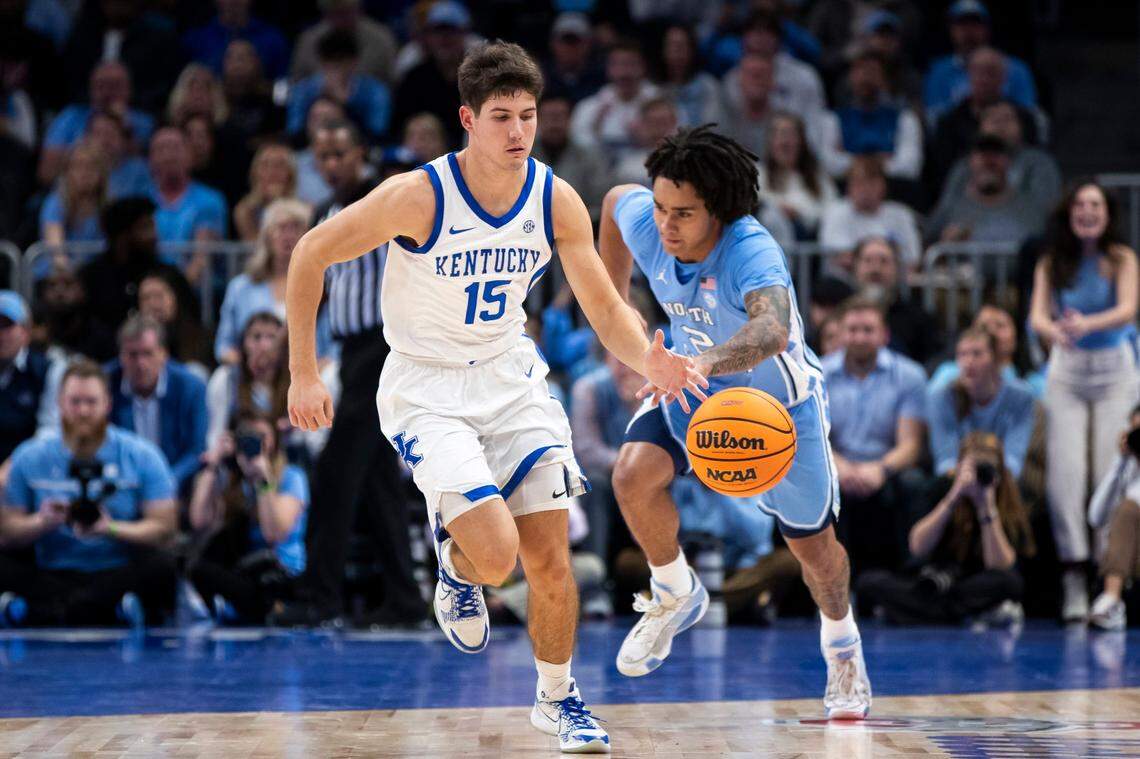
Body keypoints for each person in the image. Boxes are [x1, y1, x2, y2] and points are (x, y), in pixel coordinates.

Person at [285, 42, 704, 753]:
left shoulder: (553, 197)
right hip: (427, 387)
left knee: (549, 557)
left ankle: (559, 697)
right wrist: (303, 371)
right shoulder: (417, 195)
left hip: (510, 380)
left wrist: (648, 358)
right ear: (467, 120)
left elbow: (604, 305)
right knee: (499, 555)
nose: (518, 132)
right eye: (502, 116)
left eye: (529, 115)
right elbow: (309, 255)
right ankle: (455, 565)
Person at [598, 126, 871, 719]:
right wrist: (617, 314)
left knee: (815, 552)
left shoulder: (752, 249)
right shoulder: (648, 217)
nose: (666, 225)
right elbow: (617, 203)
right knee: (631, 475)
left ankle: (842, 644)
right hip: (693, 388)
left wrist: (702, 359)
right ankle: (675, 591)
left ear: (719, 210)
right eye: (664, 208)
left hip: (777, 407)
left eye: (684, 214)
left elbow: (771, 331)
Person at [271, 119, 423, 632]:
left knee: (335, 473)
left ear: (362, 150)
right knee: (378, 482)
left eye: (340, 152)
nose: (331, 164)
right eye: (323, 155)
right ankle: (404, 599)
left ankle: (319, 596)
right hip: (354, 351)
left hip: (385, 347)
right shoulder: (323, 211)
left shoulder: (386, 197)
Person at [1029, 180, 1140, 622]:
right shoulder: (1052, 261)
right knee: (1067, 476)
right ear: (1069, 214)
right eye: (1080, 205)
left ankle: (1106, 575)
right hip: (1068, 371)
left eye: (1095, 205)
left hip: (1114, 368)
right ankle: (1073, 573)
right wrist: (1053, 331)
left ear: (1108, 214)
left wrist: (1084, 323)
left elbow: (1128, 311)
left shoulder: (1122, 259)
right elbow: (1037, 315)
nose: (1088, 212)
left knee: (1106, 471)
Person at [0, 359, 178, 626]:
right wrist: (42, 522)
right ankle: (104, 611)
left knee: (163, 566)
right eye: (75, 402)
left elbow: (165, 529)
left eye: (91, 402)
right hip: (52, 571)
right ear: (60, 403)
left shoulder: (141, 455)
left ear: (107, 404)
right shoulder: (29, 457)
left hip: (115, 571)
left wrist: (111, 528)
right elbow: (6, 533)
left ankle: (42, 612)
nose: (83, 411)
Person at [856, 432, 1035, 625]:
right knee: (868, 582)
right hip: (935, 583)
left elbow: (999, 566)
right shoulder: (942, 487)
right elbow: (918, 547)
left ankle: (915, 614)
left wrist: (987, 507)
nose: (977, 476)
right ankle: (968, 615)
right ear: (958, 466)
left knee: (1010, 583)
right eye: (973, 469)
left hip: (974, 584)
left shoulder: (1008, 500)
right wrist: (954, 496)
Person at [823, 297, 926, 577]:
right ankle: (827, 584)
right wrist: (840, 467)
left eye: (868, 330)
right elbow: (814, 438)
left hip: (887, 467)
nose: (859, 337)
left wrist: (879, 469)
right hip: (835, 464)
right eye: (852, 330)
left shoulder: (910, 375)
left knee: (914, 483)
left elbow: (911, 445)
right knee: (811, 481)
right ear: (841, 333)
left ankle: (911, 578)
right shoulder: (816, 374)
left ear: (884, 335)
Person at [188, 409, 308, 623]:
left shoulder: (292, 477)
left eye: (262, 437)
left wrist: (263, 480)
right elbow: (198, 521)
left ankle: (253, 608)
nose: (256, 443)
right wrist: (213, 465)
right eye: (248, 437)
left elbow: (274, 534)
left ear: (274, 440)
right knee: (199, 566)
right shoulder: (234, 480)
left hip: (284, 573)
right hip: (245, 573)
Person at [216, 200, 336, 366]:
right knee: (222, 378)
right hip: (254, 373)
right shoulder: (240, 287)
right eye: (281, 228)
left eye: (296, 228)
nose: (288, 235)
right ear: (266, 236)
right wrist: (249, 365)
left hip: (310, 371)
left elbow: (334, 349)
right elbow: (223, 347)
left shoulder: (323, 285)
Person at [106, 316, 208, 496]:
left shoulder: (191, 387)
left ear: (163, 354)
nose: (140, 363)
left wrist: (164, 483)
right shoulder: (104, 385)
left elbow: (196, 450)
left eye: (147, 353)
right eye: (132, 355)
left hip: (176, 487)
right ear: (121, 356)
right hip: (120, 487)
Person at [926, 327, 1036, 480]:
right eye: (962, 354)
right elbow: (945, 461)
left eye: (977, 354)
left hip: (1002, 480)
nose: (968, 362)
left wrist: (988, 481)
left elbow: (1014, 460)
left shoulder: (1021, 396)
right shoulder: (942, 396)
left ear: (995, 359)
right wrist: (967, 481)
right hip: (956, 480)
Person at [814, 48, 923, 182]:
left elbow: (910, 167)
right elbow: (826, 164)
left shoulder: (905, 119)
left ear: (883, 78)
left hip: (894, 189)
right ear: (850, 77)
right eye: (860, 71)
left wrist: (850, 161)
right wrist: (881, 162)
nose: (865, 78)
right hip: (847, 190)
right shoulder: (833, 119)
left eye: (872, 72)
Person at [925, 134, 1045, 247]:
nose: (989, 161)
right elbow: (924, 254)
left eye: (996, 154)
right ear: (970, 162)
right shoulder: (949, 210)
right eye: (982, 154)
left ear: (1009, 162)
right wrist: (945, 245)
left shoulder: (1030, 209)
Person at [0, 291, 64, 489]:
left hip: (30, 473)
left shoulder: (49, 370)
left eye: (7, 326)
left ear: (26, 332)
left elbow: (50, 431)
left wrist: (11, 468)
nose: (0, 334)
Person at [1087, 405, 1140, 630]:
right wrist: (1120, 462)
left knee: (1129, 509)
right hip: (1132, 569)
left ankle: (1112, 595)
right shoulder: (1125, 467)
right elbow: (1095, 517)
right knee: (1126, 509)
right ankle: (1111, 602)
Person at [850, 236, 941, 365]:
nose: (875, 269)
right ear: (855, 268)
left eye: (884, 261)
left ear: (897, 269)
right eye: (868, 261)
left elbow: (931, 360)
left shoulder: (918, 318)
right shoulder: (839, 314)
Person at [819, 157, 922, 268]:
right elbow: (842, 258)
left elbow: (913, 257)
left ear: (883, 186)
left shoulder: (901, 214)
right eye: (860, 183)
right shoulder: (835, 212)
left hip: (893, 281)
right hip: (844, 281)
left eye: (871, 184)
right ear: (849, 187)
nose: (865, 190)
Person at [569, 40, 661, 163]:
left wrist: (651, 139)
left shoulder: (661, 102)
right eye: (618, 65)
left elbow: (674, 142)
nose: (625, 72)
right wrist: (595, 128)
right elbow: (577, 147)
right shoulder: (589, 107)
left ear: (643, 67)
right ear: (609, 69)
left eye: (631, 64)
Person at [928, 303, 1045, 397]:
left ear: (1016, 337)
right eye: (984, 326)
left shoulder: (1034, 384)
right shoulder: (948, 374)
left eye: (1000, 326)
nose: (992, 332)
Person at [758, 112, 837, 240]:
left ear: (801, 141)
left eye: (790, 134)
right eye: (778, 134)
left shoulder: (818, 178)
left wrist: (798, 214)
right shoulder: (757, 175)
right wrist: (779, 210)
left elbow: (831, 213)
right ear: (770, 142)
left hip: (806, 240)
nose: (784, 141)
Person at [290, 0, 398, 86]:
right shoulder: (308, 41)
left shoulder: (381, 39)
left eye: (346, 12)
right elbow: (297, 83)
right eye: (334, 13)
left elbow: (391, 83)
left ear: (358, 9)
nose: (341, 19)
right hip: (318, 107)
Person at [137, 270, 212, 377]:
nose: (153, 304)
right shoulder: (133, 341)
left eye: (159, 296)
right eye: (146, 298)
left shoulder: (201, 338)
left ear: (175, 298)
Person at [39, 141, 109, 249]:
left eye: (91, 167)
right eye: (78, 166)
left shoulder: (109, 207)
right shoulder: (56, 203)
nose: (84, 173)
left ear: (102, 173)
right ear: (67, 171)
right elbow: (57, 253)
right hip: (58, 265)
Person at [233, 143, 298, 242]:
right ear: (255, 172)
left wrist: (280, 202)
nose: (272, 171)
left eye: (279, 165)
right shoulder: (245, 210)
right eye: (265, 165)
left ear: (291, 173)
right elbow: (255, 248)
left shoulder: (305, 211)